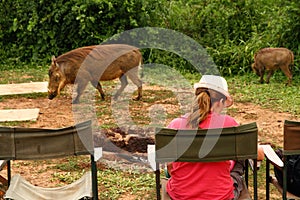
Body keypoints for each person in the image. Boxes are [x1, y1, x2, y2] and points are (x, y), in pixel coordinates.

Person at [165, 75, 244, 200]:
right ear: (221, 102)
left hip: (180, 195)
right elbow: (255, 154)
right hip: (220, 196)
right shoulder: (230, 125)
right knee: (240, 159)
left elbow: (169, 165)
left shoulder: (175, 125)